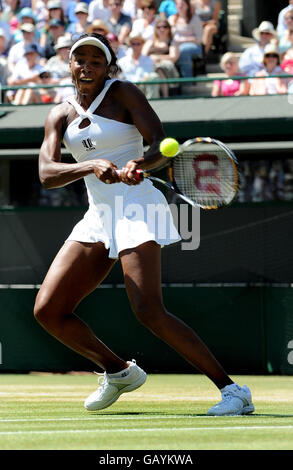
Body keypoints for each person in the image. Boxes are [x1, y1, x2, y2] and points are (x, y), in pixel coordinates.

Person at [33, 32, 255, 416]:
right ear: (69, 64)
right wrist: (90, 165)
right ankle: (119, 372)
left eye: (96, 61)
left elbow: (158, 146)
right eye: (79, 59)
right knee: (48, 310)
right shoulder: (59, 114)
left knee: (148, 310)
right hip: (98, 216)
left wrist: (138, 165)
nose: (86, 65)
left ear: (107, 68)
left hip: (140, 205)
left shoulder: (123, 94)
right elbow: (46, 173)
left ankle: (234, 391)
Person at [142, 17, 180, 97]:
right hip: (151, 67)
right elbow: (143, 56)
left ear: (169, 29)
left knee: (159, 68)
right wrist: (152, 59)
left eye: (165, 27)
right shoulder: (150, 42)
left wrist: (158, 58)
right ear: (155, 29)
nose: (162, 29)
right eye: (159, 27)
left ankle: (165, 95)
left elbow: (173, 57)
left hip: (167, 68)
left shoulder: (172, 42)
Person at [118, 31, 160, 98]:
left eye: (138, 44)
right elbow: (119, 78)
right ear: (130, 44)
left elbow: (150, 76)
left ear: (143, 44)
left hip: (143, 89)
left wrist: (138, 85)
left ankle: (151, 105)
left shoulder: (149, 60)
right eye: (133, 44)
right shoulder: (122, 61)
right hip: (127, 90)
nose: (135, 46)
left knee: (154, 77)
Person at [169, 0, 203, 79]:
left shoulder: (195, 19)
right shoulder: (171, 18)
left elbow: (199, 39)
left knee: (183, 50)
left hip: (194, 46)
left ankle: (187, 80)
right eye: (178, 4)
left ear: (187, 5)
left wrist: (183, 40)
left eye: (182, 4)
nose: (180, 6)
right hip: (174, 46)